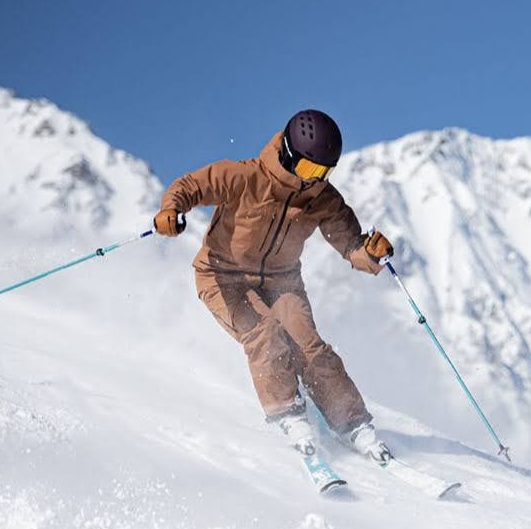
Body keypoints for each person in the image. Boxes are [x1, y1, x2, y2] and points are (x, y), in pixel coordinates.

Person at [152, 109, 397, 462]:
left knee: (310, 347)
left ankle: (353, 423)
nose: (313, 180)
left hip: (281, 282)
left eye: (323, 173)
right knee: (264, 335)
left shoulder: (322, 199)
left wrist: (369, 253)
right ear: (287, 153)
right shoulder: (243, 177)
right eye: (309, 170)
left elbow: (350, 243)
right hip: (223, 276)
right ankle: (288, 415)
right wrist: (171, 210)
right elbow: (191, 186)